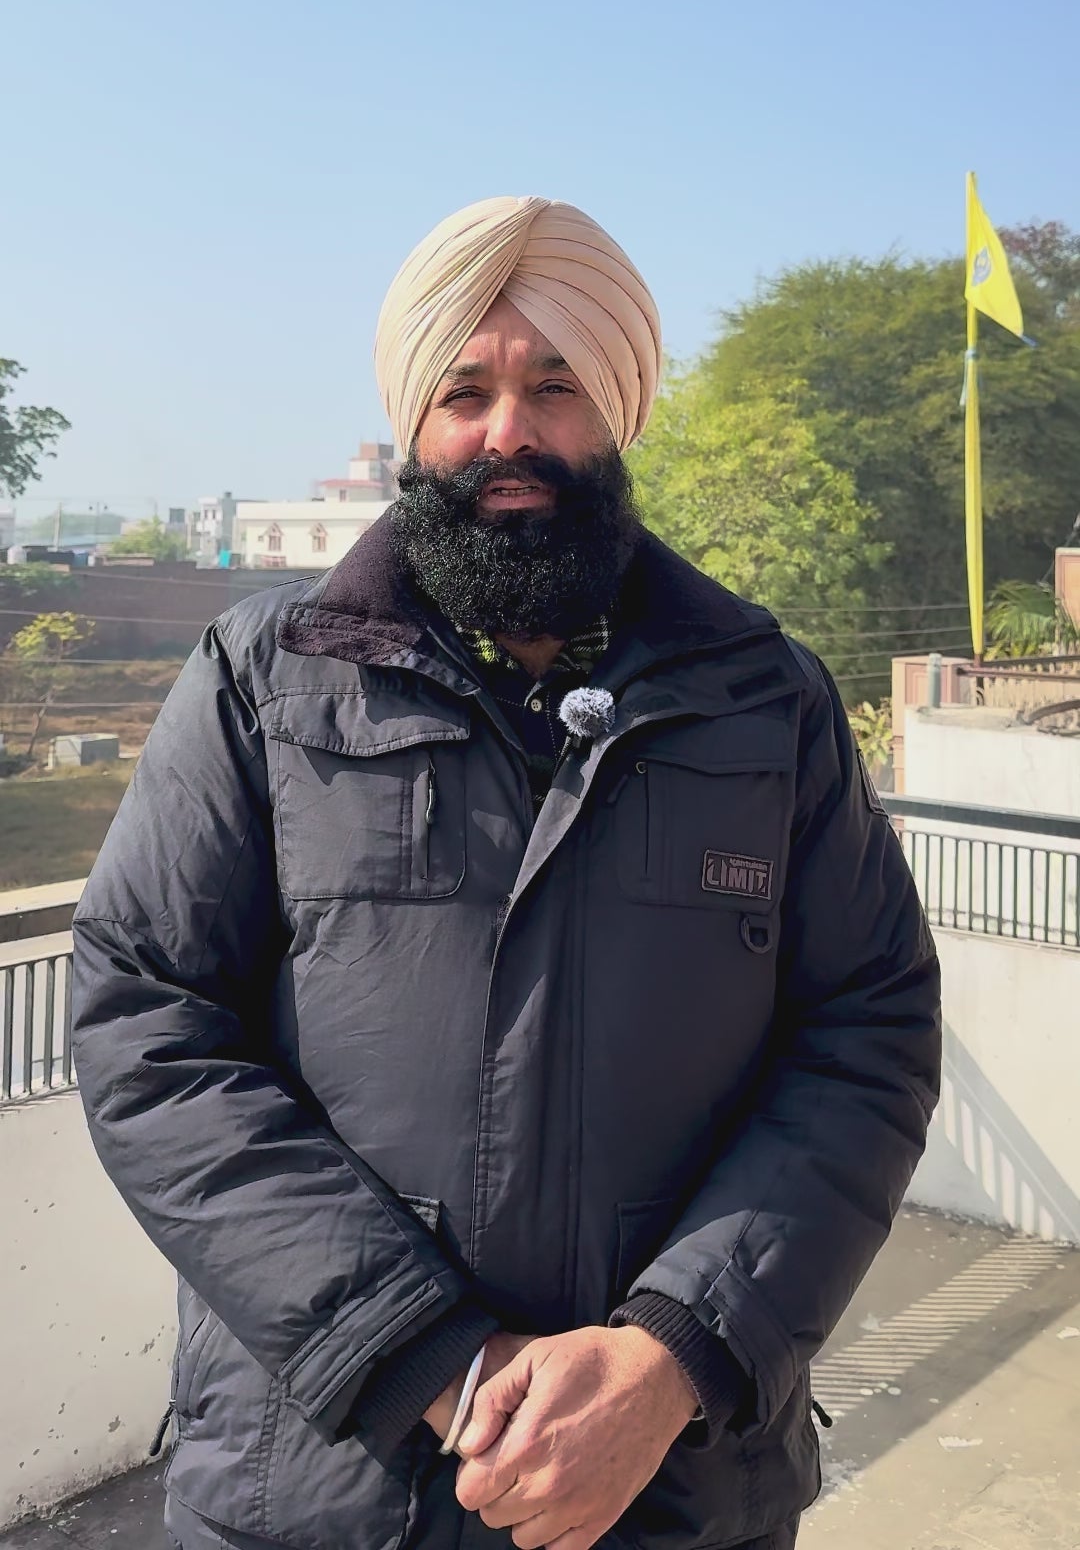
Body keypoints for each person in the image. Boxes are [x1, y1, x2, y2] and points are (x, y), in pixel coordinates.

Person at [71, 195, 941, 1550]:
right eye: (466, 391)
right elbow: (148, 1023)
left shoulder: (764, 699)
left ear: (620, 410)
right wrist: (434, 1361)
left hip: (677, 1488)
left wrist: (674, 1353)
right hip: (323, 1487)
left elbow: (868, 1030)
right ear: (415, 421)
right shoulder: (263, 681)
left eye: (557, 386)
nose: (508, 434)